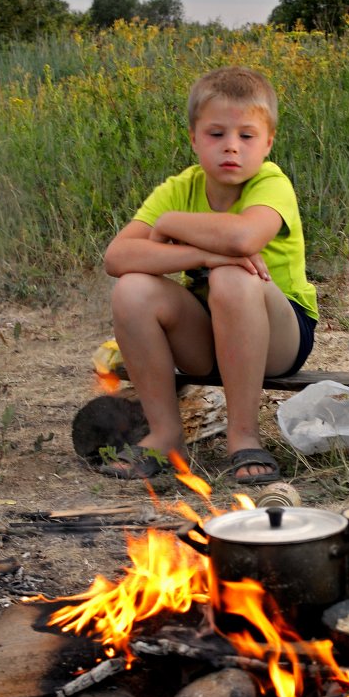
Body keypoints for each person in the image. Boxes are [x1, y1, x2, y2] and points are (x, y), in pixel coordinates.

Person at [101, 66, 317, 485]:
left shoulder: (272, 183)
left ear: (268, 142)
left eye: (246, 136)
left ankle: (244, 436)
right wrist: (202, 254)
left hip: (279, 337)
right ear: (194, 138)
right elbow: (117, 256)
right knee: (132, 290)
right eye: (216, 134)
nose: (231, 148)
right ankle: (165, 434)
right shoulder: (181, 187)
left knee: (235, 278)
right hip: (207, 336)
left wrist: (170, 224)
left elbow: (243, 238)